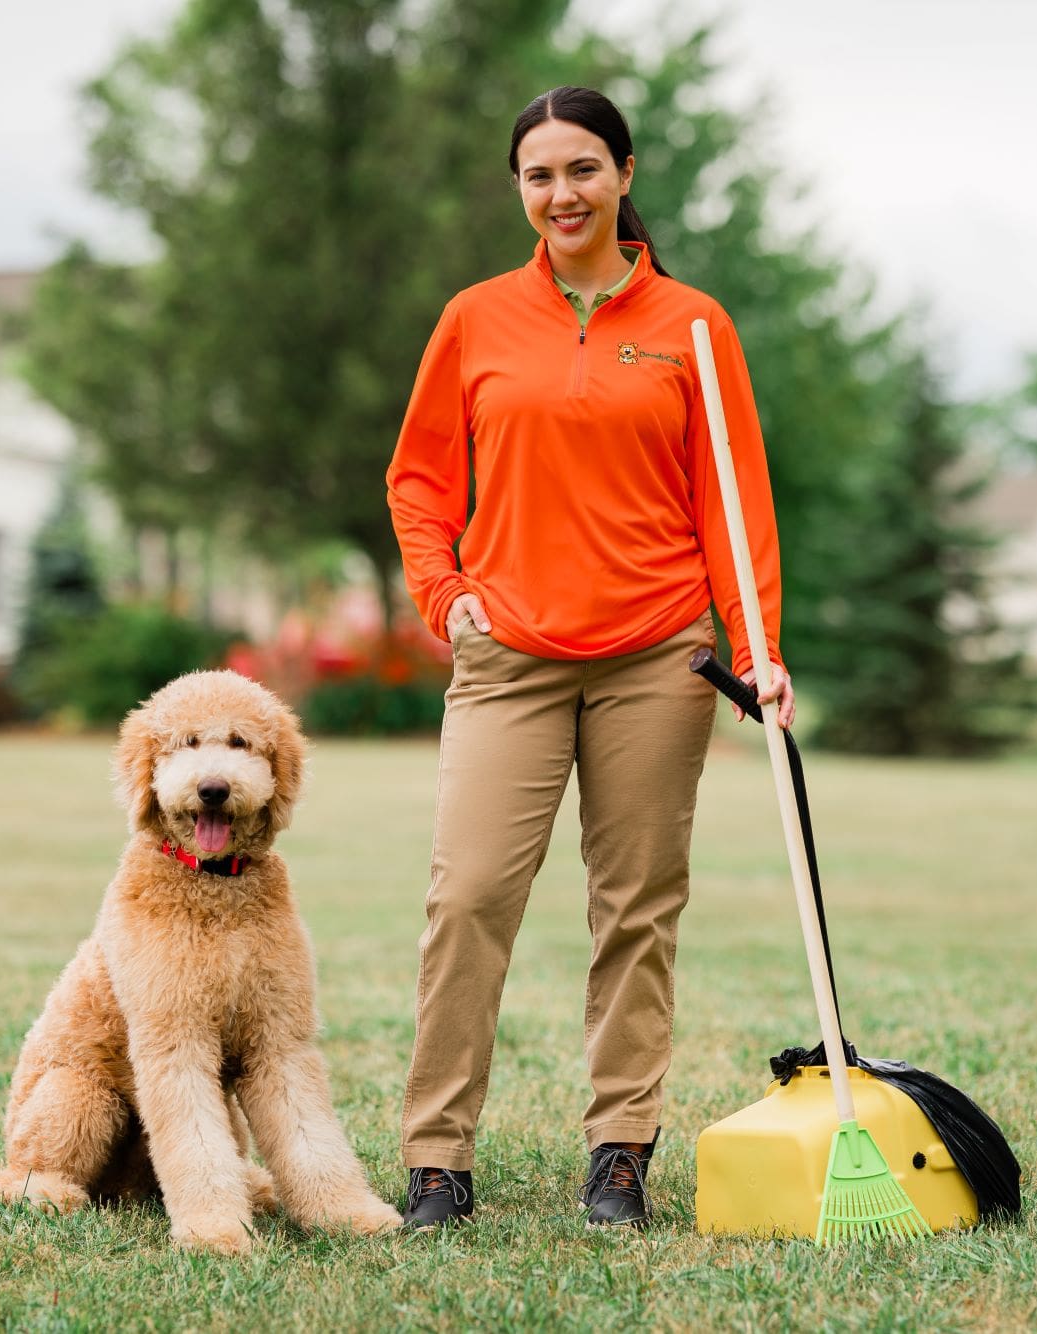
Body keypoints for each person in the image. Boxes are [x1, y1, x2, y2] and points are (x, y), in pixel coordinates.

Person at [384, 85, 792, 1231]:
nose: (558, 193)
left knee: (635, 909)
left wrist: (756, 643)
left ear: (622, 173)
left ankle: (618, 1153)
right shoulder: (473, 319)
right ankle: (435, 1158)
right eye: (536, 174)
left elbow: (733, 499)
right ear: (518, 188)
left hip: (658, 654)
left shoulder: (694, 326)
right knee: (467, 896)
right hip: (507, 653)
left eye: (579, 169)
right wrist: (444, 592)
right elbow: (418, 480)